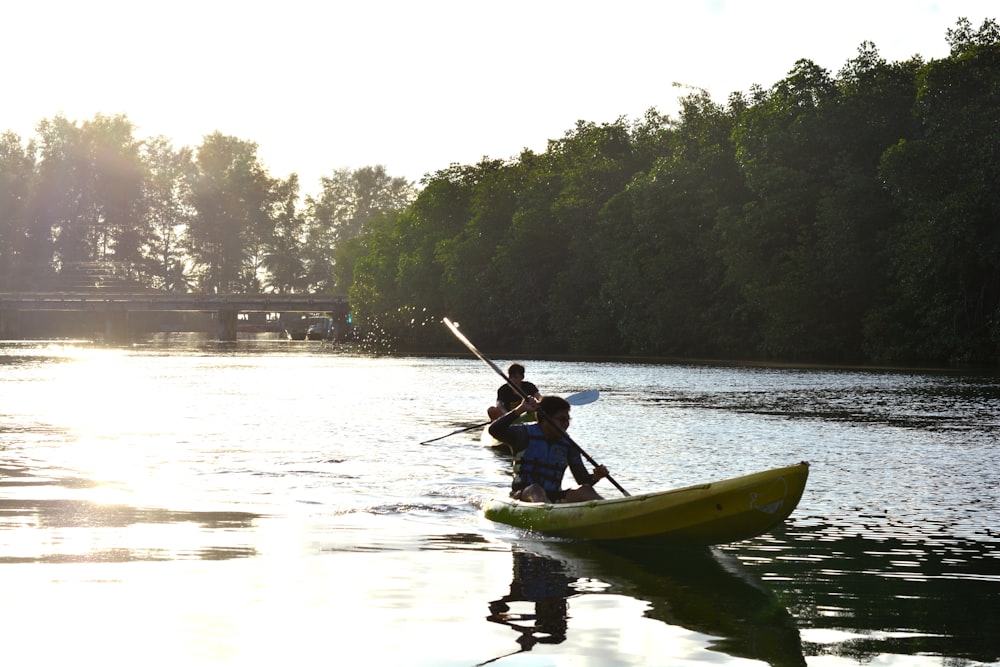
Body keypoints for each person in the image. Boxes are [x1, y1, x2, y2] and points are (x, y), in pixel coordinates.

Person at [488, 395, 608, 503]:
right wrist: (521, 409)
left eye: (568, 420)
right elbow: (494, 430)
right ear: (545, 418)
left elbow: (582, 481)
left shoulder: (568, 444)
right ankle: (549, 510)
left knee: (586, 490)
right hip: (523, 495)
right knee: (536, 490)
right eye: (562, 419)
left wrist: (596, 476)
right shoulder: (523, 434)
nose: (566, 424)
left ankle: (608, 510)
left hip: (555, 497)